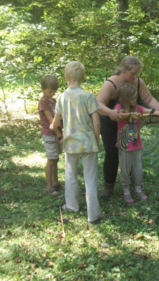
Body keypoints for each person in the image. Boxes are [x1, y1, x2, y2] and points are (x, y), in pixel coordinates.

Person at [97, 56, 159, 199]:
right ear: (123, 69)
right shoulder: (110, 84)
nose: (135, 76)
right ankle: (109, 186)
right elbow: (98, 104)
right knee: (112, 154)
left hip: (129, 125)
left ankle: (133, 186)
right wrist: (111, 112)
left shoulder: (138, 82)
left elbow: (148, 99)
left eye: (137, 73)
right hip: (110, 124)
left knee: (131, 152)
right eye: (133, 73)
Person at [50, 61, 103, 224]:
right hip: (88, 142)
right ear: (83, 78)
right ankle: (93, 215)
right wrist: (96, 139)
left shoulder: (62, 97)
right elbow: (97, 121)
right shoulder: (88, 96)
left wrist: (56, 131)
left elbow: (55, 123)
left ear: (66, 77)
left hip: (70, 143)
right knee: (91, 179)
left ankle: (72, 206)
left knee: (71, 175)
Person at [114, 83, 159, 203]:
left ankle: (138, 189)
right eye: (133, 97)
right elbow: (117, 114)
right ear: (126, 98)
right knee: (125, 169)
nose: (135, 99)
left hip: (136, 144)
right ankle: (126, 191)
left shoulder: (138, 108)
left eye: (135, 96)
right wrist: (130, 115)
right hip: (124, 145)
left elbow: (150, 111)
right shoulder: (119, 107)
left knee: (138, 168)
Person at [39, 75, 63, 196]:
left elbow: (58, 117)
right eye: (50, 91)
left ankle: (56, 182)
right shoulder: (43, 102)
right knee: (51, 159)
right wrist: (59, 136)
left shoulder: (53, 101)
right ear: (43, 89)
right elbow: (51, 121)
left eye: (54, 91)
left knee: (56, 158)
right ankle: (49, 187)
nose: (52, 93)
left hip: (56, 133)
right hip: (50, 134)